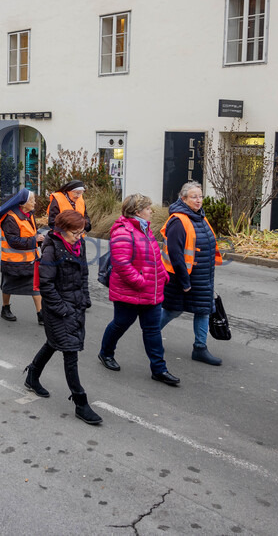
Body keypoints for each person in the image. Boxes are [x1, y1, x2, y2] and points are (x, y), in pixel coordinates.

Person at [23, 210, 102, 425]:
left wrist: (85, 300)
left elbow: (84, 273)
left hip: (76, 304)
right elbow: (45, 285)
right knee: (70, 352)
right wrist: (63, 309)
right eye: (75, 233)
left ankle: (32, 375)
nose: (79, 236)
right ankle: (80, 402)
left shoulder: (79, 244)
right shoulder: (51, 248)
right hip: (59, 308)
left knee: (54, 342)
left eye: (81, 232)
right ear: (62, 230)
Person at [98, 194, 180, 386]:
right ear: (137, 212)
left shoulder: (145, 229)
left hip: (151, 290)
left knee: (152, 330)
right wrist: (140, 282)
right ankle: (105, 353)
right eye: (148, 208)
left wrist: (163, 276)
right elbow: (122, 264)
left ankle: (159, 369)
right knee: (120, 324)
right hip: (130, 292)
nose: (152, 211)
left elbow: (154, 258)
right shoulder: (122, 231)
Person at [159, 181, 223, 366]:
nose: (198, 200)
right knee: (173, 310)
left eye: (200, 196)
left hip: (202, 276)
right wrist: (185, 281)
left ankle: (200, 348)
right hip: (183, 277)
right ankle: (152, 333)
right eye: (194, 197)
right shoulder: (179, 221)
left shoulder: (199, 217)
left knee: (203, 311)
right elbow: (176, 254)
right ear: (183, 198)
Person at [0, 189, 44, 324]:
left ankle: (41, 314)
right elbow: (14, 242)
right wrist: (35, 240)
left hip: (31, 259)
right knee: (8, 287)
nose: (35, 203)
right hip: (13, 261)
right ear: (23, 203)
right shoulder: (10, 218)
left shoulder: (29, 214)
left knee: (36, 288)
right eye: (32, 200)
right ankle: (5, 308)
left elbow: (32, 233)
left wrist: (41, 238)